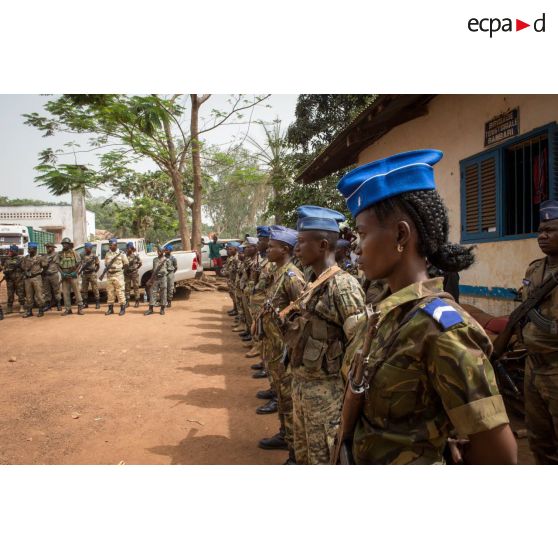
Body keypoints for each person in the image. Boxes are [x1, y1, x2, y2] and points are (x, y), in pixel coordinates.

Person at [336, 148, 517, 464]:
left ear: (401, 234)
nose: (356, 248)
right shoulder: (386, 313)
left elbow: (498, 455)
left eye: (362, 234)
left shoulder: (442, 328)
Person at [284, 206, 366, 465]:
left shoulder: (343, 286)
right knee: (305, 457)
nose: (296, 249)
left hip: (327, 395)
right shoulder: (313, 281)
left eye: (301, 242)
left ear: (322, 245)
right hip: (302, 386)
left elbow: (360, 346)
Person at [257, 226, 306, 463]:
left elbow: (302, 315)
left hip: (285, 349)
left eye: (272, 246)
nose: (268, 249)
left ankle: (295, 452)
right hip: (275, 346)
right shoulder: (279, 272)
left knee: (288, 399)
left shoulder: (292, 277)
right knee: (280, 393)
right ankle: (285, 435)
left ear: (285, 249)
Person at [520, 200, 558, 464]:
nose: (542, 235)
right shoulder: (534, 269)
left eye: (551, 230)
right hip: (533, 367)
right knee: (539, 439)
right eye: (540, 229)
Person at [20, 242, 47, 318]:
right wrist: (25, 271)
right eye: (28, 248)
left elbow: (45, 266)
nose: (28, 250)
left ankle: (41, 310)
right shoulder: (25, 258)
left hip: (36, 278)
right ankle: (29, 311)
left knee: (39, 295)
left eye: (30, 248)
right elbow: (22, 266)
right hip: (28, 279)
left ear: (35, 249)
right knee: (28, 296)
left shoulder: (39, 258)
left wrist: (40, 273)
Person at [144, 246, 173, 316]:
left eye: (160, 251)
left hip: (163, 278)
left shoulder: (167, 260)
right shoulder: (155, 260)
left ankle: (162, 309)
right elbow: (154, 270)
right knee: (152, 292)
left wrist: (164, 274)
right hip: (155, 278)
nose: (158, 253)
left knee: (163, 292)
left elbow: (170, 270)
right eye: (158, 251)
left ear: (163, 252)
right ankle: (150, 309)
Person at [59, 237, 84, 316]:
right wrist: (62, 273)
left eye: (66, 244)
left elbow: (80, 263)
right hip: (65, 276)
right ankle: (68, 309)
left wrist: (75, 272)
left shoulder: (74, 253)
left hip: (73, 275)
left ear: (69, 245)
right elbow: (57, 265)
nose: (64, 245)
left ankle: (80, 308)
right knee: (65, 293)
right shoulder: (60, 254)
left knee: (77, 292)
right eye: (63, 244)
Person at [104, 238, 129, 316]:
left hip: (118, 275)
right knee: (110, 292)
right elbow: (106, 264)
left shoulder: (121, 253)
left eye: (111, 245)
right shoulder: (107, 254)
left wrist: (120, 270)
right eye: (110, 245)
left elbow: (126, 264)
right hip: (110, 275)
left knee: (120, 292)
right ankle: (110, 309)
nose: (110, 246)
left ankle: (122, 309)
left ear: (115, 245)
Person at [3, 244, 25, 314]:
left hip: (18, 279)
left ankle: (22, 306)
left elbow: (24, 268)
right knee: (10, 294)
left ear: (15, 251)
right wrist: (6, 271)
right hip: (9, 280)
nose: (9, 252)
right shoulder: (7, 260)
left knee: (20, 293)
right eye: (9, 251)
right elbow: (4, 269)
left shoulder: (20, 259)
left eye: (11, 251)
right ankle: (9, 308)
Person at [80, 242, 101, 309]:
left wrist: (95, 272)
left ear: (91, 248)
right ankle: (85, 303)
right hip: (85, 274)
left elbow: (98, 265)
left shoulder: (94, 256)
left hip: (92, 274)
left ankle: (97, 303)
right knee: (84, 289)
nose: (86, 249)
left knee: (95, 289)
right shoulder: (82, 255)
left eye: (87, 248)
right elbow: (80, 264)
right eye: (85, 248)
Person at [42, 242, 62, 311]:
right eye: (47, 247)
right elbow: (43, 265)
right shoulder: (44, 256)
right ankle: (48, 305)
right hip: (46, 275)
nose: (47, 248)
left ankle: (58, 304)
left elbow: (59, 263)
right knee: (47, 291)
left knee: (56, 290)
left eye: (49, 247)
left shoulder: (57, 255)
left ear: (53, 248)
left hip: (54, 274)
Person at [124, 242, 142, 308]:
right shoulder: (124, 256)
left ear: (131, 248)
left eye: (129, 248)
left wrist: (136, 269)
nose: (128, 249)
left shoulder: (135, 256)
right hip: (127, 274)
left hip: (134, 273)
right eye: (127, 248)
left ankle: (137, 301)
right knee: (127, 288)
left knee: (136, 287)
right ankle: (127, 302)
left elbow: (140, 263)